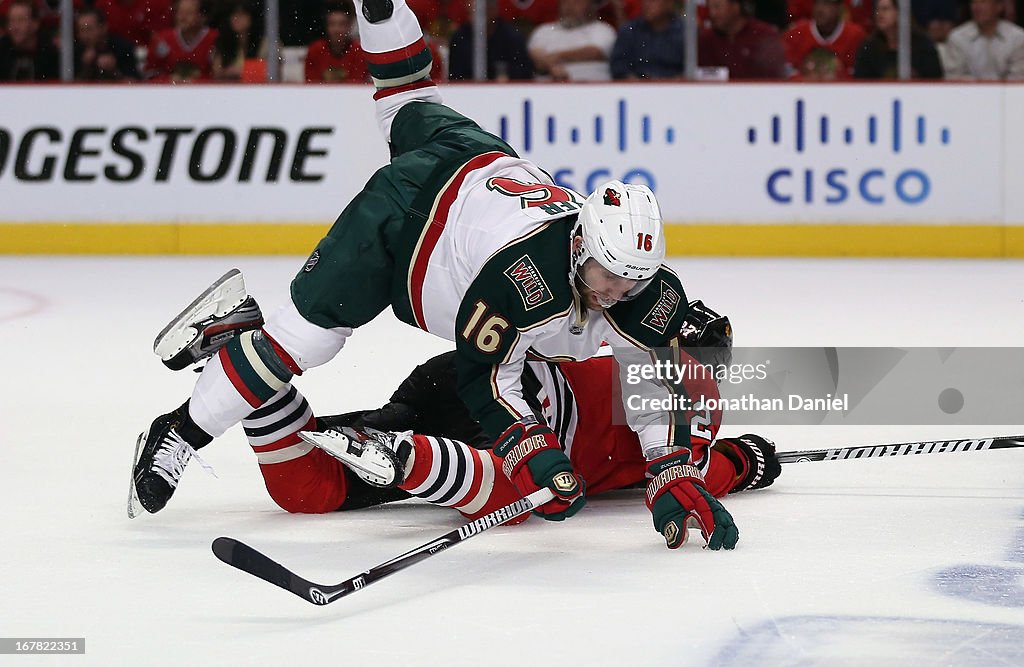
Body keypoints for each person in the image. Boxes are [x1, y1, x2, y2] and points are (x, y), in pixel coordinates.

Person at [132, 0, 738, 552]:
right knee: (306, 341)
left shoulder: (637, 280)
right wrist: (531, 449)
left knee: (407, 89)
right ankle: (179, 431)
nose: (619, 291)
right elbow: (484, 374)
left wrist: (669, 468)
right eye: (608, 275)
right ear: (580, 247)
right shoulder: (524, 277)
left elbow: (647, 370)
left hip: (476, 159)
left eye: (631, 281)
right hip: (406, 218)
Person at [151, 283, 778, 536]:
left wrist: (734, 459)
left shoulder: (634, 348)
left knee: (308, 490)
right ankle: (403, 457)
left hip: (456, 383)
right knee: (516, 499)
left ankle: (250, 368)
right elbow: (692, 472)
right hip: (508, 418)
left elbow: (676, 464)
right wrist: (744, 464)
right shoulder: (676, 397)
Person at [527, 0, 617, 81]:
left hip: (591, 90)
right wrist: (551, 66)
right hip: (548, 90)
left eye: (577, 1)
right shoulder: (543, 30)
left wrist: (557, 57)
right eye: (565, 1)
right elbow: (534, 54)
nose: (570, 6)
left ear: (590, 7)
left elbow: (596, 51)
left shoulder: (602, 29)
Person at [942, 0, 1024, 81]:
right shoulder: (957, 38)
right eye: (974, 2)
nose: (977, 7)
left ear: (999, 6)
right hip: (968, 95)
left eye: (983, 1)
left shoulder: (1018, 38)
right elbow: (954, 79)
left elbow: (1018, 81)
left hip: (1008, 95)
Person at [698, 0, 786, 79]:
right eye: (710, 8)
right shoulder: (706, 40)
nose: (712, 14)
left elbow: (776, 78)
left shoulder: (764, 35)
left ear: (736, 7)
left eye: (717, 7)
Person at [783, 0, 867, 79]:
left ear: (839, 8)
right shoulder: (796, 32)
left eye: (826, 3)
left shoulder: (856, 35)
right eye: (817, 3)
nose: (819, 9)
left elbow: (859, 75)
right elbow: (785, 71)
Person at [853, 0, 943, 80]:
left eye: (885, 9)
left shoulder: (923, 44)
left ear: (901, 13)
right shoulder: (869, 47)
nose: (879, 14)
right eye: (877, 10)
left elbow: (935, 78)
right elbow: (861, 81)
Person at [610, 0, 685, 79]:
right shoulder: (629, 31)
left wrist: (672, 83)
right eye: (643, 0)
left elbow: (694, 68)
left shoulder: (686, 32)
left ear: (669, 2)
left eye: (651, 0)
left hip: (677, 90)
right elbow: (618, 66)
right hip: (636, 90)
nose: (646, 5)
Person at [73, 6, 140, 81]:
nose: (85, 35)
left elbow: (134, 84)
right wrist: (85, 68)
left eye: (89, 29)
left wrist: (114, 71)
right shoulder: (74, 51)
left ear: (103, 27)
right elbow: (66, 87)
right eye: (81, 30)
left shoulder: (121, 48)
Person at [0, 0, 59, 81]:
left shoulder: (51, 53)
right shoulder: (2, 50)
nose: (15, 27)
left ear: (35, 23)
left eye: (21, 20)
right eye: (11, 20)